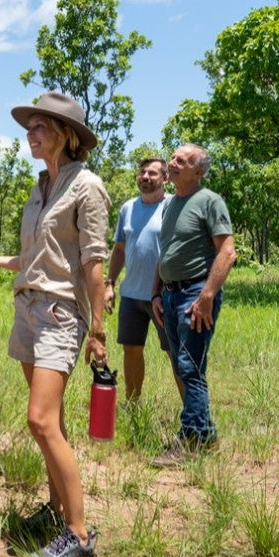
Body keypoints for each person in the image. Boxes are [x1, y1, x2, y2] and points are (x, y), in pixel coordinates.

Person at [0, 93, 111, 557]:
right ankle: (58, 510)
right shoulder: (40, 186)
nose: (32, 134)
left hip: (61, 314)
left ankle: (80, 536)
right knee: (54, 423)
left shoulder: (86, 187)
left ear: (66, 135)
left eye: (41, 126)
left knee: (40, 421)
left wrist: (99, 331)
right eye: (30, 127)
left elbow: (92, 262)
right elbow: (34, 259)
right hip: (28, 308)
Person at [148, 143, 235, 468]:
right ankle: (206, 435)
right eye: (172, 158)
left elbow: (227, 251)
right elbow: (165, 252)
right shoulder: (171, 205)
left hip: (195, 294)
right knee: (181, 364)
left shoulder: (209, 201)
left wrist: (207, 296)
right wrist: (156, 294)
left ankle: (191, 442)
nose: (172, 164)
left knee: (190, 367)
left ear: (198, 171)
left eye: (181, 161)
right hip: (170, 296)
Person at [103, 156, 172, 404]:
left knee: (173, 352)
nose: (145, 177)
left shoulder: (174, 207)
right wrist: (110, 283)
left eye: (153, 173)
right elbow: (119, 249)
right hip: (131, 294)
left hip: (165, 295)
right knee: (131, 350)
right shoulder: (128, 208)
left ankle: (192, 414)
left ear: (165, 178)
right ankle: (133, 405)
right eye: (142, 173)